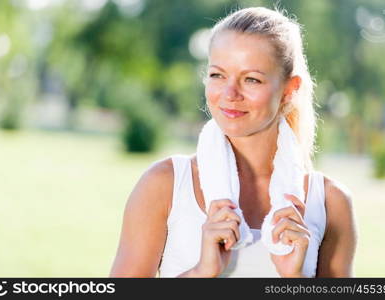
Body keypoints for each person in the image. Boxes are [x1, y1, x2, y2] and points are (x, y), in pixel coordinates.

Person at [109, 7, 357, 278]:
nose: (229, 94)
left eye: (251, 79)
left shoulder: (330, 203)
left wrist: (294, 281)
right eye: (218, 75)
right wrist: (200, 273)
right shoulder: (165, 185)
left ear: (289, 89)